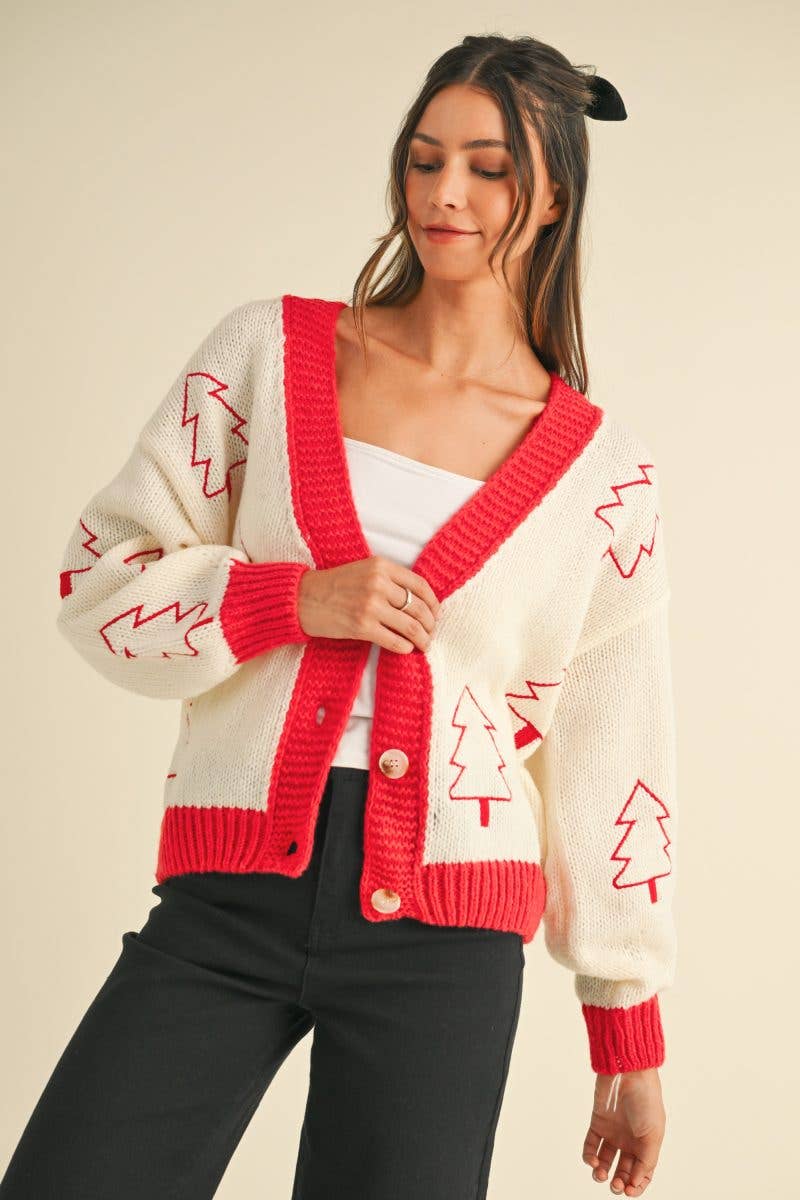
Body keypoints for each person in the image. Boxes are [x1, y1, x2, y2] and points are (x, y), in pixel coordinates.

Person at [1, 32, 677, 1200]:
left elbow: (614, 749)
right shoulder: (266, 354)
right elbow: (99, 579)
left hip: (445, 941)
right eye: (422, 160)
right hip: (229, 900)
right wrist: (286, 598)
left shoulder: (600, 478)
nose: (444, 193)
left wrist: (625, 1028)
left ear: (552, 197)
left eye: (487, 168)